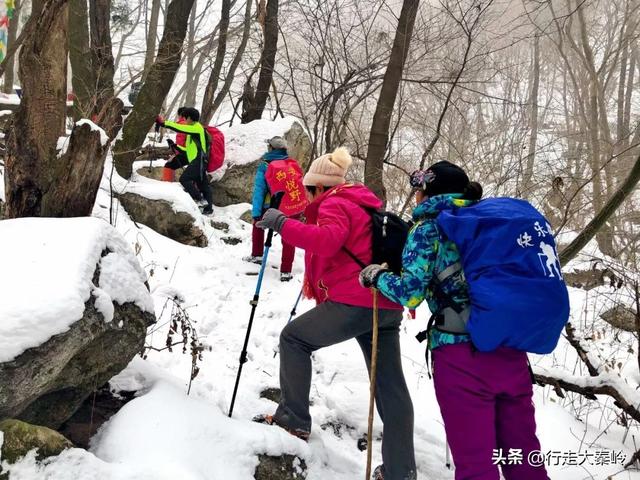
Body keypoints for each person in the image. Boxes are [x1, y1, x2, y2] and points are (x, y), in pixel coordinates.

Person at [359, 161, 549, 480]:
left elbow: (411, 292)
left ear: (426, 192)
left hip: (461, 357)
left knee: (477, 464)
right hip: (510, 352)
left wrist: (377, 276)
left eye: (418, 190)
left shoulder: (429, 228)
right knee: (523, 458)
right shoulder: (492, 222)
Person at [255, 147, 417, 480]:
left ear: (318, 186)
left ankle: (293, 421)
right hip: (385, 302)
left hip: (355, 302)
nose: (309, 195)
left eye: (309, 189)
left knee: (294, 338)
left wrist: (283, 223)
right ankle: (401, 471)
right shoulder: (361, 203)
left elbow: (327, 242)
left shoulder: (334, 203)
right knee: (390, 388)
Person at [243, 136, 304, 282]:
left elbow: (260, 190)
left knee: (258, 226)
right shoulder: (292, 164)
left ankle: (257, 255)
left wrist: (256, 213)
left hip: (271, 207)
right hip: (292, 207)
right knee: (289, 236)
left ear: (271, 149)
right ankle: (286, 271)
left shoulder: (265, 165)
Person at [156, 107, 214, 215]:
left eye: (185, 118)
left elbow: (179, 128)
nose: (185, 121)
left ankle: (200, 200)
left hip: (199, 161)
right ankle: (208, 209)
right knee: (203, 185)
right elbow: (188, 150)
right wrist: (175, 146)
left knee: (184, 179)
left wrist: (163, 123)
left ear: (190, 118)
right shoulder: (193, 131)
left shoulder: (197, 128)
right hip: (197, 161)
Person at [162, 107, 188, 182]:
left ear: (180, 115)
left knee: (169, 165)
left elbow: (182, 141)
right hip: (188, 153)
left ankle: (167, 184)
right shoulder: (187, 125)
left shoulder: (182, 125)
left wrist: (176, 150)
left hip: (185, 153)